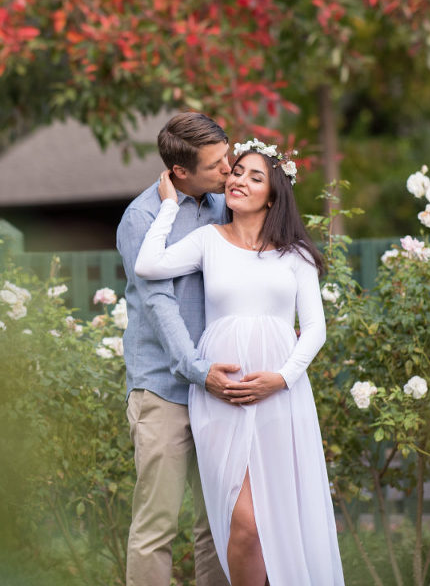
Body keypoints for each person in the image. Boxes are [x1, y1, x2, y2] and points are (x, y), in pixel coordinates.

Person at [134, 139, 345, 586]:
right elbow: (149, 265)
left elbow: (315, 327)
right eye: (236, 172)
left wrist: (282, 379)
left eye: (255, 176)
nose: (239, 180)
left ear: (273, 195)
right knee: (245, 523)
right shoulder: (208, 240)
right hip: (222, 395)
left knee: (278, 521)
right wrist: (169, 206)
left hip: (279, 397)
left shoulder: (295, 255)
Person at [116, 112, 239, 586]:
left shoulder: (222, 204)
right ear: (180, 172)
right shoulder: (142, 218)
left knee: (217, 526)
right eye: (217, 165)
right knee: (157, 527)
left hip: (216, 388)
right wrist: (196, 369)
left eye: (227, 157)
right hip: (164, 390)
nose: (228, 170)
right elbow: (158, 302)